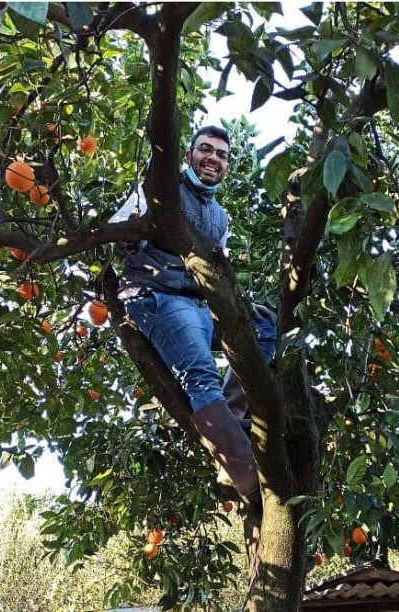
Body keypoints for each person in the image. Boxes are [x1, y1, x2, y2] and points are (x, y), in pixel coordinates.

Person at [115, 125, 276, 506]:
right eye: (206, 150)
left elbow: (217, 271)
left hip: (197, 303)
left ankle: (231, 422)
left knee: (266, 326)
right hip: (156, 294)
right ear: (188, 155)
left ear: (227, 166)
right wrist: (143, 226)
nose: (213, 158)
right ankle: (251, 483)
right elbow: (116, 233)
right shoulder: (157, 190)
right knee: (201, 375)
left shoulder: (220, 217)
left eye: (221, 155)